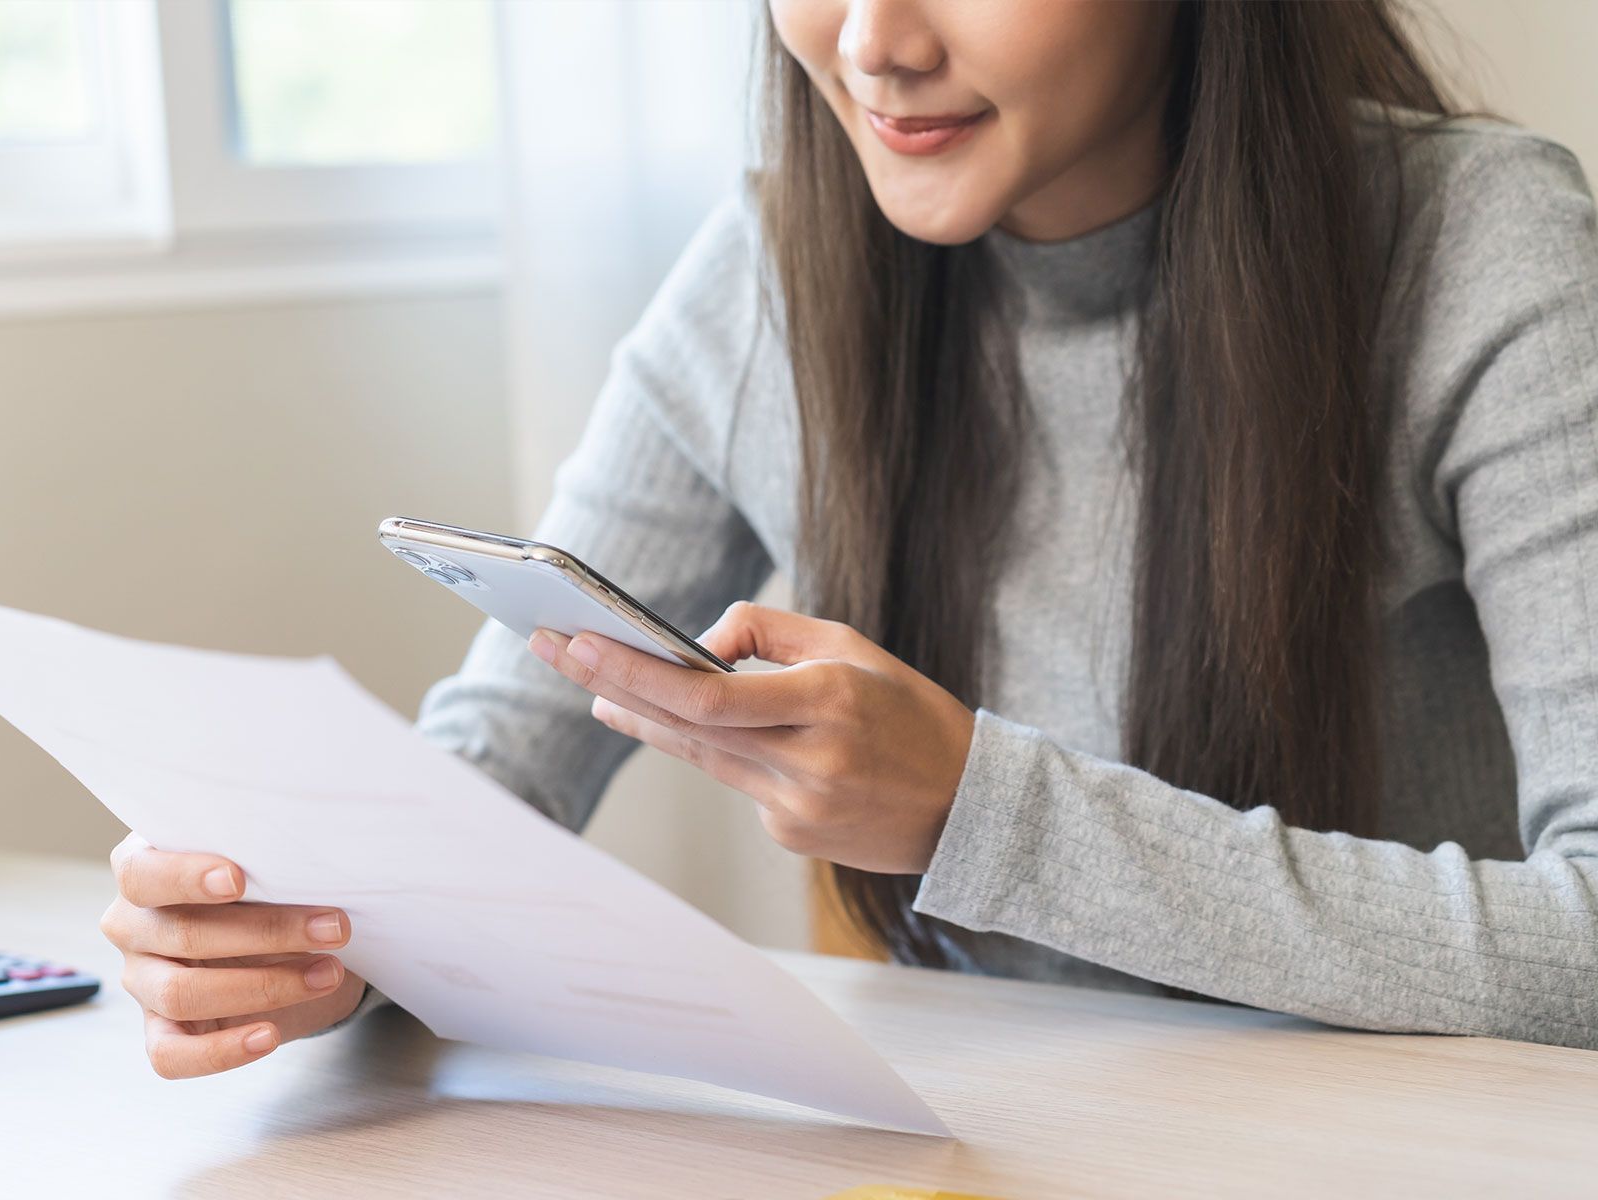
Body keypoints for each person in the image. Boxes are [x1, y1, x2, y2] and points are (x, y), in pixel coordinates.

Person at [100, 0, 1598, 1078]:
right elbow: (505, 746)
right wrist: (317, 930)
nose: (874, 40)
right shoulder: (767, 270)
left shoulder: (1481, 249)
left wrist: (980, 812)